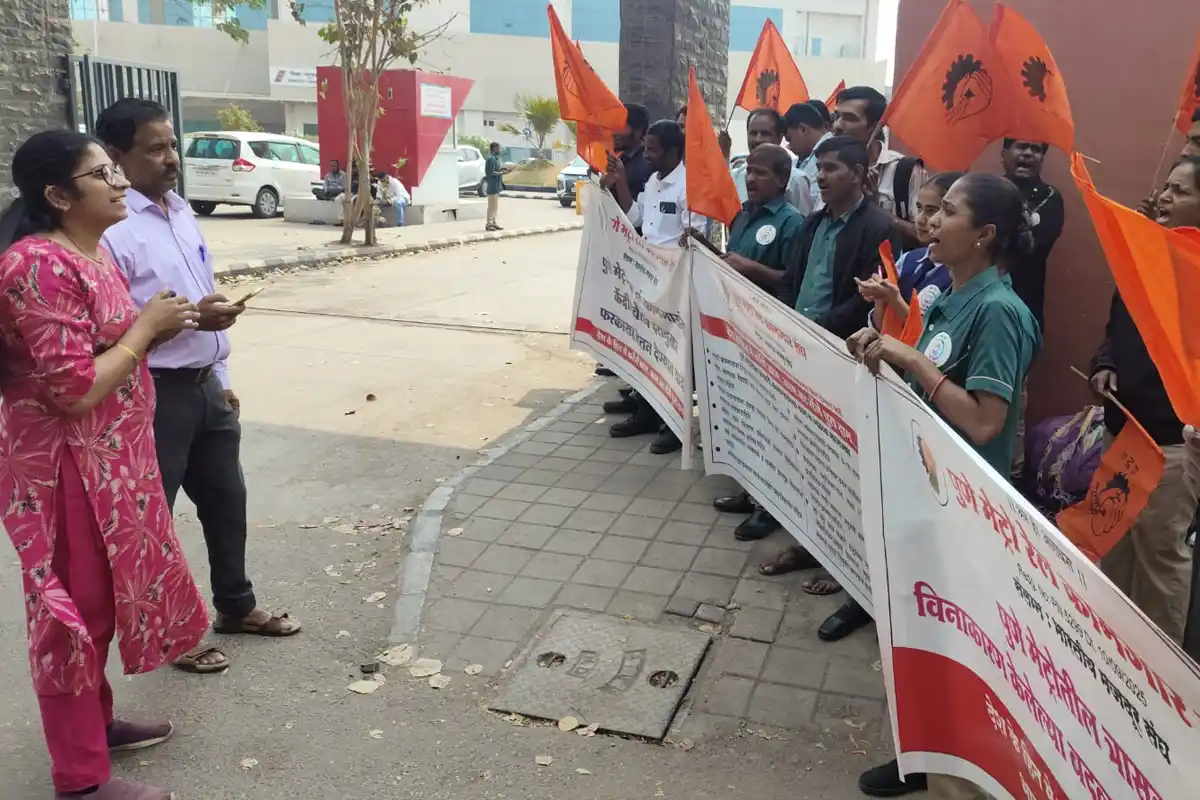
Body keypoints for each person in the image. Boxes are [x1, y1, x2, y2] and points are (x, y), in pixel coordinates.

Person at [0, 129, 210, 799]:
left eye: (116, 171)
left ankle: (97, 721)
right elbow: (72, 389)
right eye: (102, 174)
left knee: (104, 606)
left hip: (112, 464)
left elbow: (109, 345)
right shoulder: (38, 265)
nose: (120, 183)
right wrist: (146, 330)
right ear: (59, 195)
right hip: (66, 469)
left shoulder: (88, 253)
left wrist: (176, 323)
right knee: (72, 617)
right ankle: (81, 778)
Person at [849, 172, 1041, 800]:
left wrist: (911, 360)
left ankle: (955, 774)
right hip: (926, 495)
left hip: (966, 510)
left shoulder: (1000, 312)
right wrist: (887, 339)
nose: (930, 221)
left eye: (948, 212)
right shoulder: (952, 297)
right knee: (916, 637)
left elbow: (985, 418)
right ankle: (920, 757)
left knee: (956, 653)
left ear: (984, 235)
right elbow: (929, 358)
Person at [96, 98, 302, 677]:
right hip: (151, 393)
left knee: (226, 502)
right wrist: (190, 322)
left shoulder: (180, 211)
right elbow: (111, 331)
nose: (171, 159)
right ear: (116, 157)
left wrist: (223, 371)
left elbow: (198, 296)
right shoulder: (113, 229)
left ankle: (236, 606)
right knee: (153, 523)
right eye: (154, 149)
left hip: (206, 384)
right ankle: (171, 635)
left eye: (171, 145)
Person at [718, 135, 897, 542]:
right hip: (793, 340)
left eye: (831, 168)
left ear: (858, 174)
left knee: (810, 439)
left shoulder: (877, 228)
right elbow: (792, 279)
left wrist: (821, 333)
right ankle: (760, 496)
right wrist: (783, 320)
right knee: (775, 423)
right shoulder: (814, 222)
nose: (821, 176)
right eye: (818, 169)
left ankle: (785, 513)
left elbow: (866, 296)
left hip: (834, 349)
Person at [1091, 155, 1200, 645]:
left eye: (1179, 191)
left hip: (1171, 447)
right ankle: (1108, 647)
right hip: (1123, 433)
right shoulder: (1143, 253)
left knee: (1160, 558)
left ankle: (1157, 681)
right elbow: (1117, 327)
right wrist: (1104, 363)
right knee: (1111, 541)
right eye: (1166, 187)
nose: (1163, 198)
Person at [605, 120, 707, 453]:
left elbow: (695, 237)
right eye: (645, 147)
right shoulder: (651, 181)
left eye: (653, 149)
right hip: (647, 282)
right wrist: (620, 183)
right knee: (648, 352)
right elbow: (636, 219)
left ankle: (675, 426)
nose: (646, 154)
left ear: (674, 152)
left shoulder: (688, 186)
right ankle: (647, 413)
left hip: (676, 286)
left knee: (675, 358)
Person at [857, 171, 964, 335]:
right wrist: (880, 298)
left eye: (932, 210)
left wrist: (894, 299)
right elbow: (881, 326)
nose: (921, 219)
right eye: (919, 208)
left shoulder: (957, 274)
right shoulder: (909, 259)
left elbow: (932, 339)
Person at [598, 103, 654, 381]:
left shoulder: (646, 164)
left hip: (638, 245)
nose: (615, 132)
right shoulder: (621, 159)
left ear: (639, 130)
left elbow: (638, 214)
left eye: (621, 126)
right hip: (618, 243)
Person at [731, 108, 813, 215]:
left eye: (765, 133)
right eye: (753, 133)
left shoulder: (795, 179)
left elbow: (805, 225)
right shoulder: (736, 177)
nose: (758, 139)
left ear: (779, 138)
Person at [786, 101, 833, 207]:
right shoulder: (808, 156)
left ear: (803, 129)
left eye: (789, 139)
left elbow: (814, 202)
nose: (789, 146)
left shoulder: (830, 153)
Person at [484, 142, 510, 231]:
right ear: (493, 149)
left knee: (495, 206)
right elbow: (490, 173)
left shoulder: (496, 159)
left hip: (497, 186)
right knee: (491, 206)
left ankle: (494, 222)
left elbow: (496, 170)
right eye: (498, 148)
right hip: (492, 186)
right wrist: (502, 173)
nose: (499, 150)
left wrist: (503, 169)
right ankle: (489, 224)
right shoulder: (490, 159)